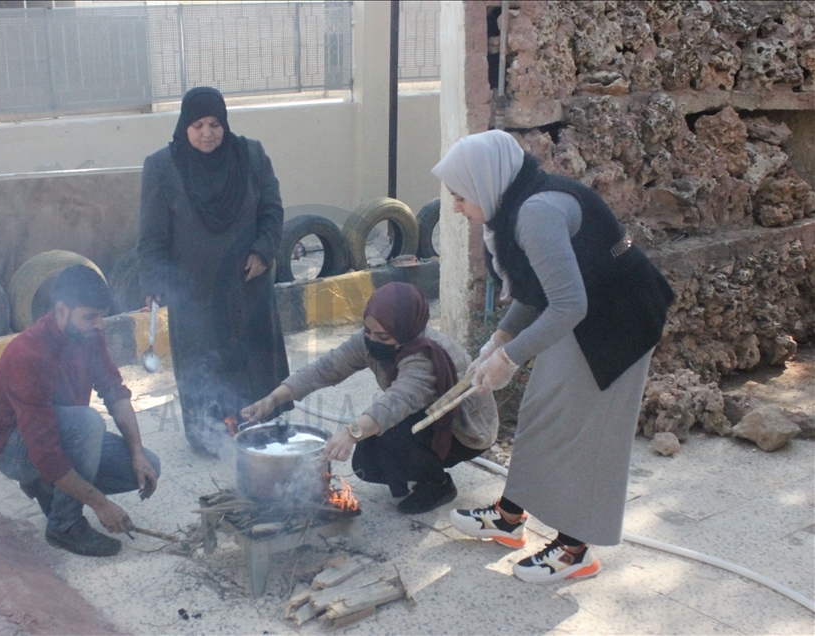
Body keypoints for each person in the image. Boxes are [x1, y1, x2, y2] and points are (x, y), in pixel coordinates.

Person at [432, 130, 673, 583]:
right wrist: (501, 339)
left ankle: (576, 549)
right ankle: (509, 517)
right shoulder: (516, 206)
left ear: (485, 183)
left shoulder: (535, 214)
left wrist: (510, 358)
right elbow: (543, 288)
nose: (458, 207)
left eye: (461, 196)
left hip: (620, 318)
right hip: (585, 307)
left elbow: (567, 304)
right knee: (542, 409)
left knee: (589, 432)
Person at [242, 282, 499, 515]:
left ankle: (438, 485)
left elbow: (395, 403)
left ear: (406, 330)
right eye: (368, 331)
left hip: (465, 432)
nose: (372, 341)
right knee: (369, 458)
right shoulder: (371, 340)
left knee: (391, 433)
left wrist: (350, 433)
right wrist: (275, 398)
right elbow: (325, 368)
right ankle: (412, 475)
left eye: (383, 337)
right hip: (427, 414)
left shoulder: (425, 357)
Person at [137, 86, 290, 455]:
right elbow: (152, 232)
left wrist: (262, 252)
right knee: (203, 360)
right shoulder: (162, 167)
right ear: (184, 127)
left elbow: (272, 210)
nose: (208, 133)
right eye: (198, 125)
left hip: (247, 284)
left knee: (254, 358)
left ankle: (260, 423)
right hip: (195, 290)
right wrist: (155, 281)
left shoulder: (250, 156)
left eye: (215, 124)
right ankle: (209, 432)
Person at [0, 265, 160, 557]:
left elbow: (115, 392)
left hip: (61, 433)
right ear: (61, 311)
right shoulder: (27, 355)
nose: (99, 324)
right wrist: (101, 504)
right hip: (12, 447)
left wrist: (137, 452)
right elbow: (45, 453)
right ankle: (64, 527)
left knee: (148, 467)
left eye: (101, 315)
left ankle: (48, 488)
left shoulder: (88, 336)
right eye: (90, 316)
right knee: (88, 424)